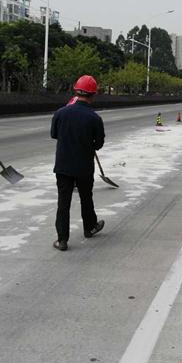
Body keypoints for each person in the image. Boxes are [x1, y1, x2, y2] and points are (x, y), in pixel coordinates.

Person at [50, 74, 106, 251]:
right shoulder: (94, 118)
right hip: (83, 166)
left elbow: (54, 134)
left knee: (63, 203)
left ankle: (62, 240)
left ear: (76, 91)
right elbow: (99, 144)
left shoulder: (61, 113)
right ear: (92, 95)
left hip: (63, 165)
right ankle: (89, 227)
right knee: (86, 198)